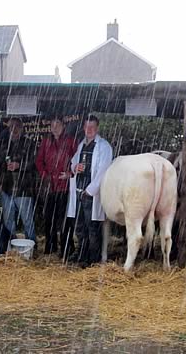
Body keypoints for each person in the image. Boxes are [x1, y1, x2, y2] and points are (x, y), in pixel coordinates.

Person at [66, 114, 113, 267]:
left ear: (97, 128)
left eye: (92, 127)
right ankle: (82, 256)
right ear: (83, 128)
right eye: (87, 127)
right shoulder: (82, 145)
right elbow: (73, 162)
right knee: (80, 228)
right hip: (79, 191)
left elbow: (103, 171)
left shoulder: (104, 146)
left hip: (92, 194)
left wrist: (90, 190)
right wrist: (75, 167)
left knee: (92, 227)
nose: (89, 130)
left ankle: (93, 260)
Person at [35, 115, 77, 258]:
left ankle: (66, 248)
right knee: (49, 219)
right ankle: (50, 246)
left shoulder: (71, 141)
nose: (55, 127)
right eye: (52, 125)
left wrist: (70, 173)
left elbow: (77, 161)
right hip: (50, 187)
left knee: (65, 220)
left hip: (65, 186)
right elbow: (39, 161)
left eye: (57, 124)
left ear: (63, 126)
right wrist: (45, 175)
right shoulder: (46, 142)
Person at [0, 118, 37, 244]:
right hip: (6, 188)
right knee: (8, 220)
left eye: (17, 126)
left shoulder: (30, 144)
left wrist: (19, 165)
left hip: (23, 188)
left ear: (22, 128)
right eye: (11, 126)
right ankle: (10, 245)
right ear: (8, 128)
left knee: (27, 220)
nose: (14, 129)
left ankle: (32, 246)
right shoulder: (1, 143)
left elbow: (34, 163)